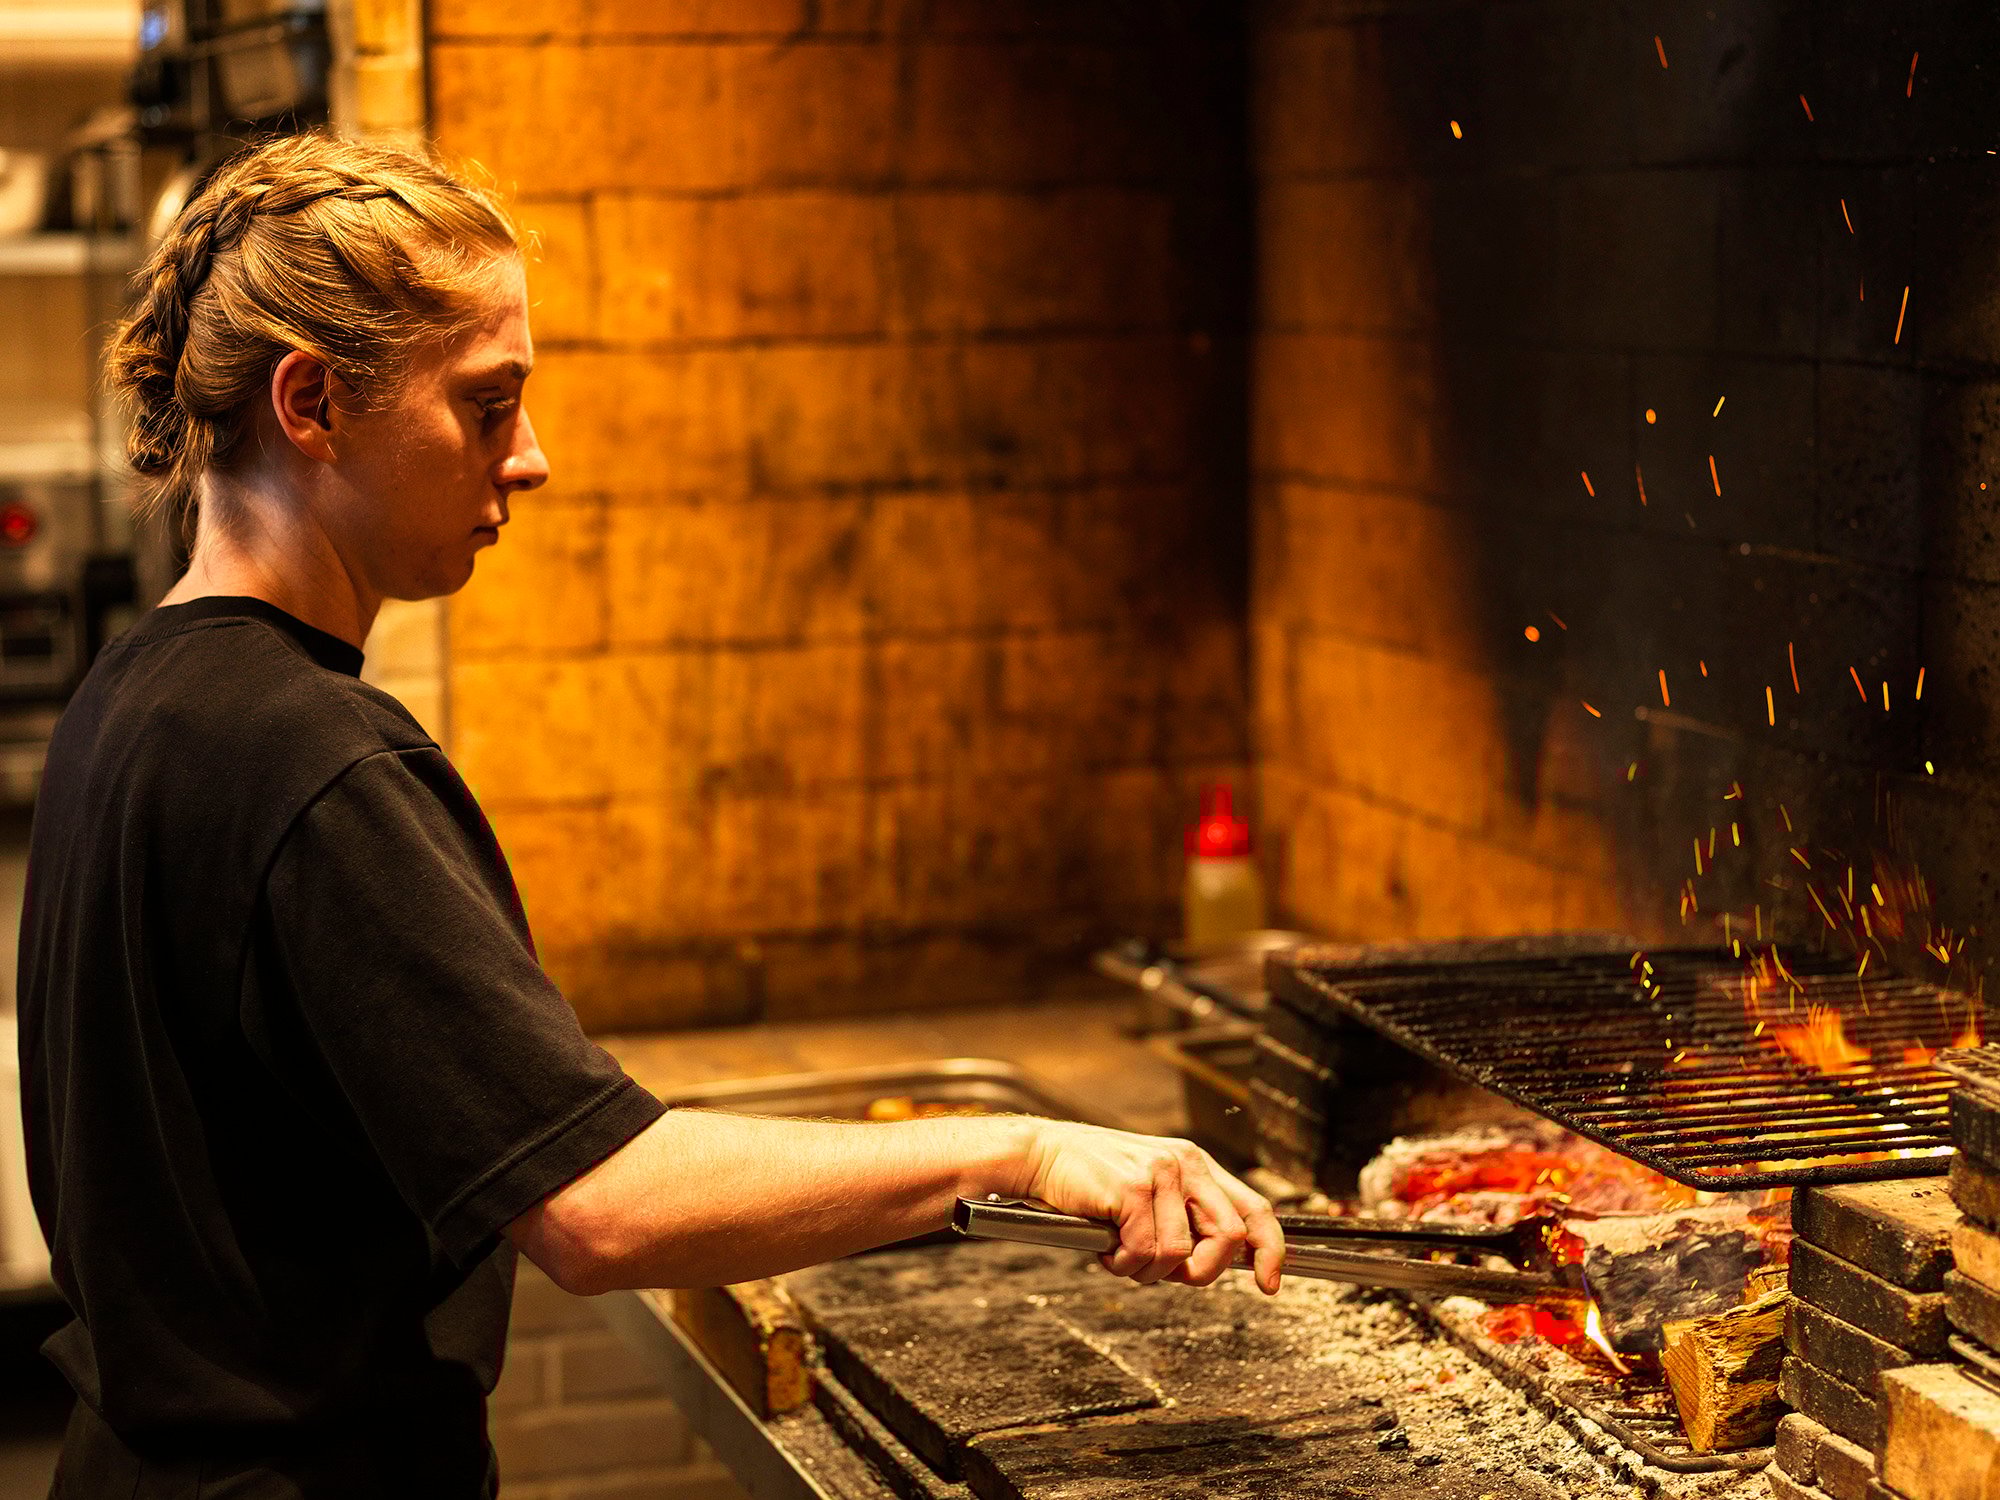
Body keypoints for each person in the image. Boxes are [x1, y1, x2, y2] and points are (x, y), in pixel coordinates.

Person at [16, 132, 1285, 1498]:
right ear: (312, 403)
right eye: (488, 406)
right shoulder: (313, 758)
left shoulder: (132, 699)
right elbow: (601, 1209)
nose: (531, 459)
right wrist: (1029, 1149)